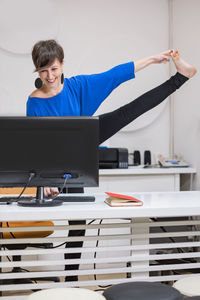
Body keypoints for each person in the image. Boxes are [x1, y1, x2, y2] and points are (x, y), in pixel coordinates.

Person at [27, 40, 197, 282]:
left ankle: (181, 77)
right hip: (57, 164)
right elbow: (37, 149)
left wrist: (151, 59)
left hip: (81, 148)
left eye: (54, 69)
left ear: (62, 64)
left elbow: (114, 75)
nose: (50, 76)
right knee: (78, 222)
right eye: (43, 71)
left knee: (130, 111)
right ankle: (69, 280)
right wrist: (44, 181)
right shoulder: (34, 102)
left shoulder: (77, 86)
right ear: (37, 70)